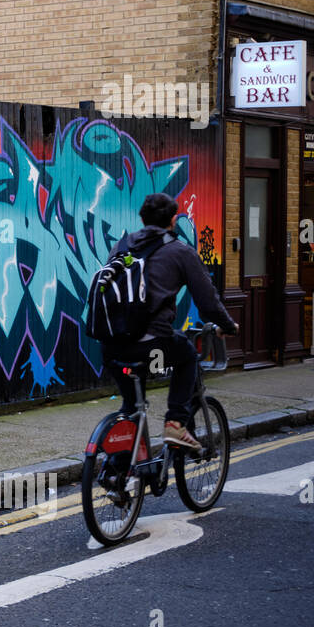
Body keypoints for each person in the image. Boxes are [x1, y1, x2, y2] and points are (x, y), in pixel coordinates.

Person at [104, 192, 238, 450]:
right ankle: (175, 423)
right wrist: (229, 326)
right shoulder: (180, 251)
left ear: (142, 219)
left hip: (112, 346)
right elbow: (208, 302)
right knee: (187, 356)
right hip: (152, 346)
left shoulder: (120, 247)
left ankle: (124, 467)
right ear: (173, 220)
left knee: (132, 406)